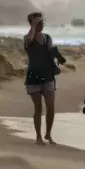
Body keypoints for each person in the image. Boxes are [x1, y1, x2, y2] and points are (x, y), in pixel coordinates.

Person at [23, 12, 58, 145]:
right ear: (32, 24)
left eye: (42, 22)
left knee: (51, 107)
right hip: (33, 78)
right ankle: (38, 137)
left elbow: (49, 54)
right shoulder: (27, 38)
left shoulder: (47, 38)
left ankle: (48, 134)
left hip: (48, 76)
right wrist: (33, 26)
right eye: (38, 22)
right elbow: (28, 42)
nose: (41, 24)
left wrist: (55, 59)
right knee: (38, 108)